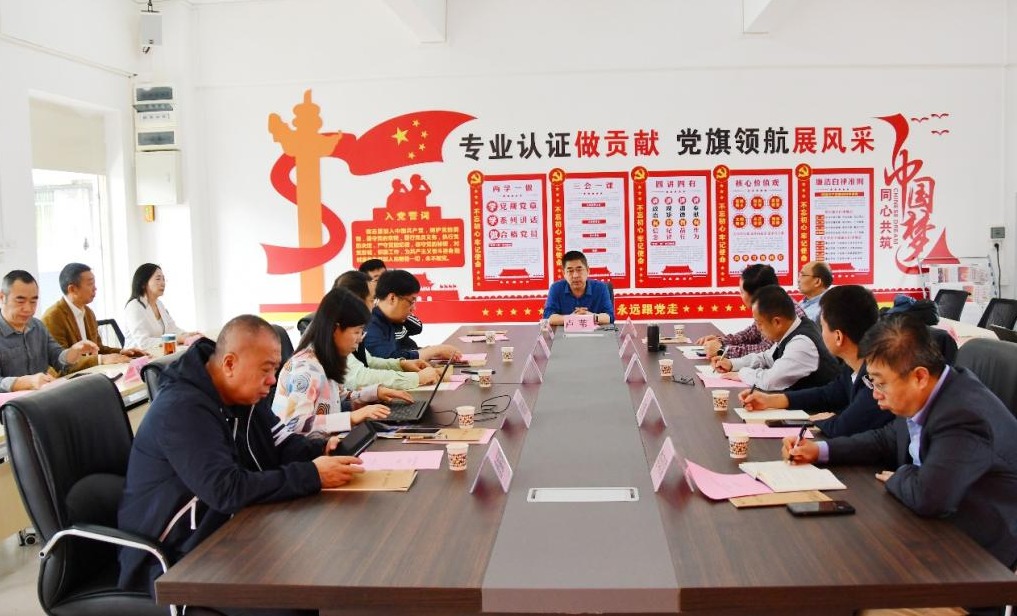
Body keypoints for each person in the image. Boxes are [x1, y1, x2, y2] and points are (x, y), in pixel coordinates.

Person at [118, 315, 365, 608]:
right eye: (266, 370)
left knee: (327, 562)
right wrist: (312, 475)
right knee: (301, 597)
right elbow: (226, 490)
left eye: (274, 370)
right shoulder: (182, 409)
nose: (272, 380)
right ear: (230, 364)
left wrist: (321, 449)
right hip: (178, 557)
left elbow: (281, 443)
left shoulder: (242, 395)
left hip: (233, 530)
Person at [784, 315, 1017, 578]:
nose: (875, 394)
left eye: (881, 383)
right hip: (938, 525)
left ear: (919, 376)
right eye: (872, 382)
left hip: (980, 556)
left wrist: (902, 474)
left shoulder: (962, 414)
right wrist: (821, 450)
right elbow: (887, 439)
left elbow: (929, 497)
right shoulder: (929, 393)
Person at [739, 285, 891, 437]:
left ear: (838, 337)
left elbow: (842, 427)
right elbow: (827, 394)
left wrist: (822, 420)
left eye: (822, 327)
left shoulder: (876, 379)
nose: (820, 334)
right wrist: (770, 400)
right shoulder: (852, 366)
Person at [273, 287, 414, 435]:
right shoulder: (306, 369)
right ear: (335, 329)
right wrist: (351, 418)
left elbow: (339, 396)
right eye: (357, 332)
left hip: (326, 443)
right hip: (309, 448)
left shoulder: (324, 359)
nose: (360, 339)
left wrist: (375, 393)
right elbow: (295, 424)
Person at [712, 285, 839, 391]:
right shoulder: (792, 329)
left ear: (777, 322)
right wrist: (732, 364)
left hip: (817, 410)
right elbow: (767, 357)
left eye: (759, 323)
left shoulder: (801, 342)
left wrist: (741, 374)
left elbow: (770, 381)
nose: (757, 328)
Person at [333, 270, 439, 390]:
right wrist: (416, 378)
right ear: (355, 301)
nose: (374, 306)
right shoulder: (339, 330)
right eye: (372, 300)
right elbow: (358, 378)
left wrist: (401, 364)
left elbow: (369, 361)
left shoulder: (348, 326)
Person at [0, 270, 98, 392]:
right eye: (20, 301)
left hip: (42, 398)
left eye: (33, 301)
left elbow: (57, 357)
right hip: (11, 403)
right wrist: (23, 383)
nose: (28, 308)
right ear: (2, 297)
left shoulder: (38, 326)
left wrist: (73, 352)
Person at [41, 262, 145, 373]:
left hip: (92, 374)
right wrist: (101, 359)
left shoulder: (88, 312)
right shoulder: (52, 316)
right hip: (67, 379)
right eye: (90, 284)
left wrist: (121, 352)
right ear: (72, 289)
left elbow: (98, 348)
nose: (95, 288)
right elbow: (62, 363)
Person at [696, 264, 808, 358]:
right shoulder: (769, 304)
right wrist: (722, 341)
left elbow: (765, 351)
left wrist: (723, 350)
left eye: (742, 292)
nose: (740, 296)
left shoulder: (781, 310)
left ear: (757, 294)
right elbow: (750, 334)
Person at [364, 270, 461, 361]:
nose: (414, 308)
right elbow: (388, 360)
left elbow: (400, 352)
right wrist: (434, 351)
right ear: (392, 298)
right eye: (411, 301)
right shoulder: (370, 324)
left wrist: (432, 353)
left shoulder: (390, 319)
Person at [122, 263, 199, 349]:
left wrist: (188, 335)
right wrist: (177, 339)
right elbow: (144, 343)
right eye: (158, 279)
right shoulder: (134, 306)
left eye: (163, 279)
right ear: (143, 283)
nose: (163, 283)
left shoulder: (159, 304)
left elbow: (172, 328)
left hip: (158, 352)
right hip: (138, 356)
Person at [358, 258, 423, 350]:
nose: (383, 282)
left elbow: (417, 328)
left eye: (384, 276)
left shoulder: (398, 301)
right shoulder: (364, 311)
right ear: (365, 284)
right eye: (377, 280)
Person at [542, 250, 613, 326]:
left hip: (595, 332)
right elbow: (548, 317)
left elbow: (609, 317)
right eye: (570, 271)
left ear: (588, 270)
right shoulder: (556, 288)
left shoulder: (601, 288)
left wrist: (591, 317)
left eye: (579, 270)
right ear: (564, 273)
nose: (575, 275)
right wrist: (571, 318)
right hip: (565, 333)